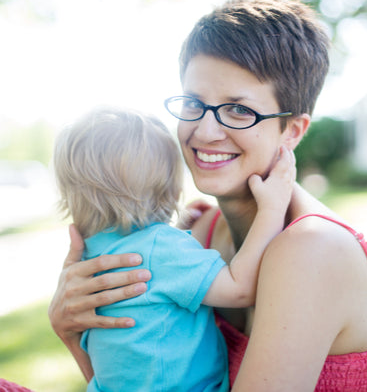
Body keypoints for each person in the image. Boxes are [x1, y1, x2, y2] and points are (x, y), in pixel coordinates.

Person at [48, 0, 367, 391]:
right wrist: (71, 331)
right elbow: (145, 378)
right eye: (194, 102)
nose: (205, 132)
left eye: (240, 110)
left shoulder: (313, 247)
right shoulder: (201, 230)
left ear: (293, 130)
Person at [52, 107, 295, 391]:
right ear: (170, 190)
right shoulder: (163, 248)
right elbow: (239, 289)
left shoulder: (89, 252)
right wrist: (272, 208)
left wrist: (179, 227)